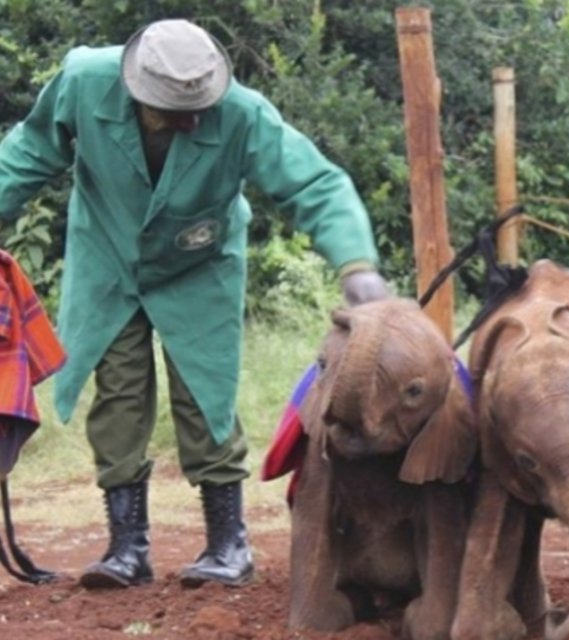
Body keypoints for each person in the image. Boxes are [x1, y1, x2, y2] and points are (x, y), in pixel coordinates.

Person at [0, 19, 390, 589]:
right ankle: (126, 548)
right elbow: (27, 153)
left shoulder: (241, 112)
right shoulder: (84, 80)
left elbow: (313, 185)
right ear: (136, 89)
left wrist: (357, 266)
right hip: (107, 254)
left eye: (200, 104)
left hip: (200, 260)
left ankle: (227, 543)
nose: (193, 118)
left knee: (204, 391)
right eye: (174, 109)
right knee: (119, 394)